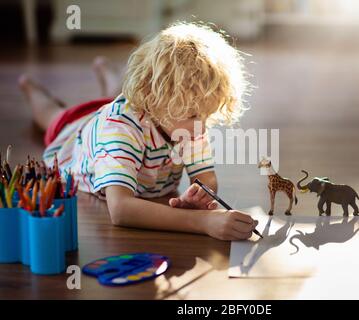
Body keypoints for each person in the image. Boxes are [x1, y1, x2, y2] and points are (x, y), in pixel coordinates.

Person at [19, 22, 258, 241]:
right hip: (77, 133)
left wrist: (198, 198)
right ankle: (30, 87)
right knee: (52, 115)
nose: (202, 127)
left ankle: (108, 73)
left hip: (124, 112)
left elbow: (206, 179)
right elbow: (121, 210)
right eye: (194, 116)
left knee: (110, 96)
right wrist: (202, 222)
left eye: (206, 115)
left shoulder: (188, 119)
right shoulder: (119, 130)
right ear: (153, 100)